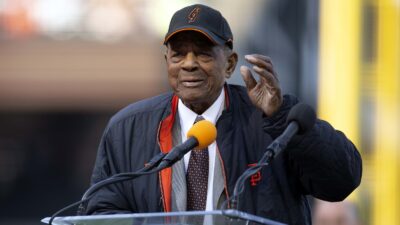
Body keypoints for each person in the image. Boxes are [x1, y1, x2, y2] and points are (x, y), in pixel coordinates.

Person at [84, 4, 362, 225]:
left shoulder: (272, 119)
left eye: (203, 54)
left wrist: (280, 115)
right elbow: (101, 211)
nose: (189, 64)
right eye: (178, 55)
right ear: (166, 62)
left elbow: (341, 181)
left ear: (229, 64)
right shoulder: (128, 128)